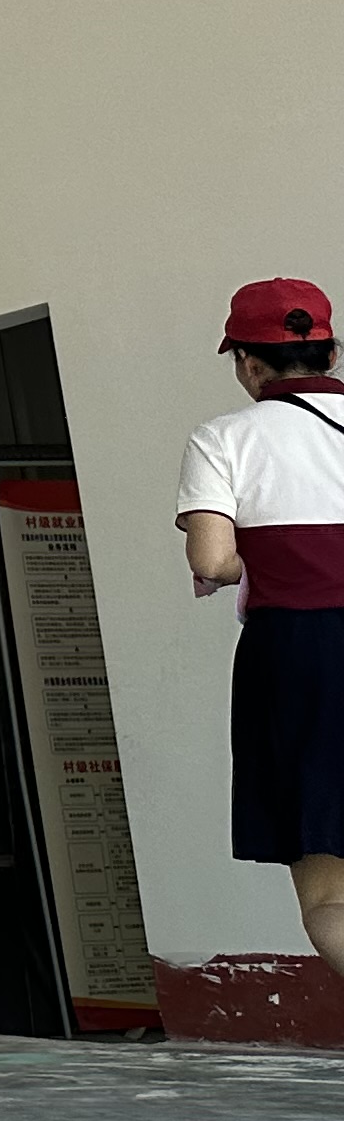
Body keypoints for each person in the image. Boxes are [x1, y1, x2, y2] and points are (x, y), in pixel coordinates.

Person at [180, 276, 344, 987]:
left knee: (330, 896)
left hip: (301, 655)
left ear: (248, 363)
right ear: (331, 351)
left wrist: (266, 559)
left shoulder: (223, 440)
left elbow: (212, 559)